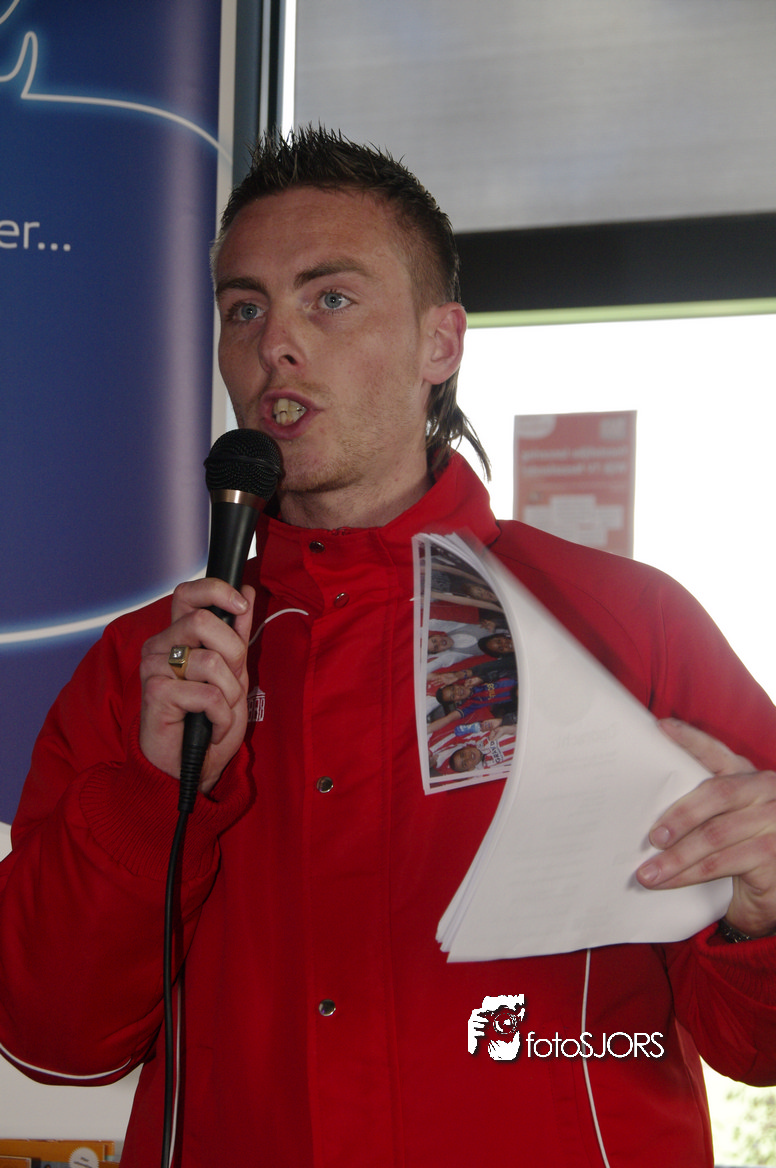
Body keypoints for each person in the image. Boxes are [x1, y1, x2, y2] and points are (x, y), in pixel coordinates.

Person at [1, 127, 776, 1167]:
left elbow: (753, 1044)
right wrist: (152, 793)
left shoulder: (628, 624)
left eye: (329, 298)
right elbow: (52, 1042)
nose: (276, 343)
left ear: (439, 344)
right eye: (244, 309)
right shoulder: (151, 665)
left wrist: (762, 915)